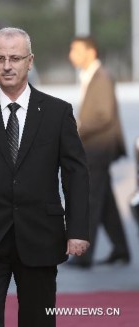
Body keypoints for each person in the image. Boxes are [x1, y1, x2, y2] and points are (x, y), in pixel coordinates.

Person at [0, 27, 90, 326]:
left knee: (39, 320)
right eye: (0, 58)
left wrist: (77, 229)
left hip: (41, 236)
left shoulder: (57, 113)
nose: (7, 65)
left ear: (30, 61)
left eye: (15, 58)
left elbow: (75, 175)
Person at [67, 36, 130, 268]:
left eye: (76, 50)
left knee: (90, 200)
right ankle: (121, 249)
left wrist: (78, 127)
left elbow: (103, 114)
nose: (71, 55)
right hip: (95, 146)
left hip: (99, 147)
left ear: (91, 52)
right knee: (105, 202)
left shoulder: (101, 77)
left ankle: (84, 256)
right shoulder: (92, 76)